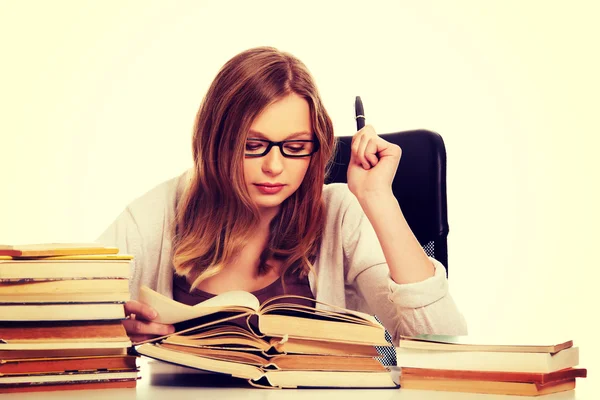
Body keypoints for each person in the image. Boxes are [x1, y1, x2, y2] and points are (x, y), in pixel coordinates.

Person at [97, 46, 467, 345]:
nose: (274, 166)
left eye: (295, 146)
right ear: (216, 143)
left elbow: (443, 344)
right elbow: (65, 314)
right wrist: (109, 333)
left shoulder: (339, 213)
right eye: (253, 145)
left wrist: (378, 200)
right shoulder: (162, 210)